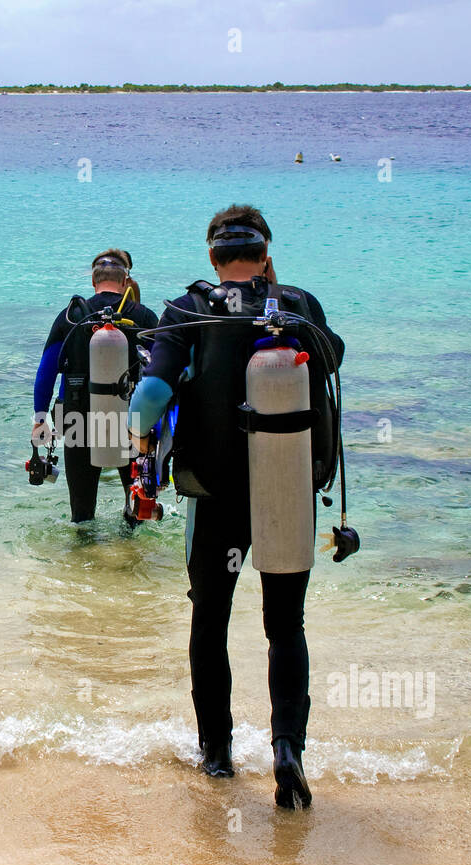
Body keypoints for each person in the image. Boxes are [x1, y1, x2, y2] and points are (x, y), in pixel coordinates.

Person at [127, 205, 344, 808]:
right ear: (266, 253)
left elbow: (148, 401)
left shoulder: (187, 310)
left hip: (215, 499)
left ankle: (218, 758)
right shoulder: (299, 306)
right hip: (286, 493)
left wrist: (139, 443)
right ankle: (287, 751)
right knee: (285, 627)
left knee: (210, 621)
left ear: (212, 256)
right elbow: (333, 365)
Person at [32, 250, 158, 524]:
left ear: (93, 281)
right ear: (126, 281)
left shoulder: (71, 315)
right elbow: (162, 373)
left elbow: (46, 372)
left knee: (82, 515)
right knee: (138, 511)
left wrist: (40, 418)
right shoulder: (143, 316)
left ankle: (81, 562)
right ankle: (132, 558)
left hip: (78, 419)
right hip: (133, 422)